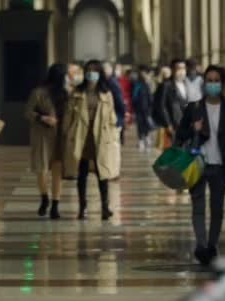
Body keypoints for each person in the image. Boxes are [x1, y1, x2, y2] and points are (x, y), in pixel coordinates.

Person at [174, 65, 225, 266]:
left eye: (216, 80)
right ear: (204, 82)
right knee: (198, 206)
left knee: (217, 208)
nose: (212, 84)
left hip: (220, 166)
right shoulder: (194, 108)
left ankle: (212, 245)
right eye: (209, 80)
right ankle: (201, 245)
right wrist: (192, 129)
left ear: (221, 84)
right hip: (197, 164)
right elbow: (179, 137)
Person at [63, 60, 119, 221]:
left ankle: (105, 207)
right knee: (81, 174)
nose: (91, 74)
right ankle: (83, 207)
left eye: (95, 71)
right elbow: (68, 116)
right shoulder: (77, 92)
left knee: (103, 174)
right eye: (88, 71)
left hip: (101, 138)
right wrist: (67, 134)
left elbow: (111, 117)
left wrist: (112, 134)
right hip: (81, 137)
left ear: (100, 74)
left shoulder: (106, 93)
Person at [25, 63, 69, 219]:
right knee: (41, 169)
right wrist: (42, 117)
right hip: (42, 136)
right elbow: (28, 112)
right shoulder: (38, 92)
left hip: (60, 137)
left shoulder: (66, 93)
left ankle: (55, 205)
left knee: (58, 170)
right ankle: (44, 197)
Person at [160, 59, 189, 136]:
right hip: (174, 124)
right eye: (179, 68)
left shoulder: (186, 83)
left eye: (183, 68)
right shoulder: (166, 85)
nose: (182, 71)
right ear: (172, 69)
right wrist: (168, 124)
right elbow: (162, 106)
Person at [132, 65, 154, 151]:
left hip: (147, 109)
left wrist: (150, 108)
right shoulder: (137, 84)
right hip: (139, 109)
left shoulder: (147, 84)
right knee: (140, 125)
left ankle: (146, 138)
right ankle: (141, 140)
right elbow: (134, 97)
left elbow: (150, 97)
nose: (143, 74)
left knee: (146, 124)